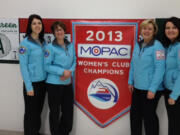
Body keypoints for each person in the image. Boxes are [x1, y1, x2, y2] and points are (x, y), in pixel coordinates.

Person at [128, 19, 165, 135]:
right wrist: (130, 81)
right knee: (134, 116)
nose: (146, 31)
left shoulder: (158, 47)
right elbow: (133, 64)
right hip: (138, 87)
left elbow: (160, 69)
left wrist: (152, 89)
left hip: (150, 89)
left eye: (150, 29)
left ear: (154, 31)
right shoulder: (138, 45)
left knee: (149, 118)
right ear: (141, 30)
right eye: (144, 28)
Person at [44, 21, 76, 135]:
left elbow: (75, 62)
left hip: (67, 84)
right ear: (54, 33)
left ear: (64, 31)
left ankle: (64, 132)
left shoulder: (71, 45)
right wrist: (62, 72)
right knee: (55, 112)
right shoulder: (50, 47)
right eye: (57, 30)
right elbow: (46, 66)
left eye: (61, 29)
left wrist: (69, 73)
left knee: (67, 112)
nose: (59, 31)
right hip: (54, 84)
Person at [18, 14, 46, 135]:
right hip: (32, 84)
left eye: (39, 23)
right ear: (30, 26)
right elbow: (23, 66)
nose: (37, 25)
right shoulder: (25, 44)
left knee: (38, 111)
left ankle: (35, 132)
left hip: (42, 82)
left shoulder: (42, 41)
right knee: (30, 112)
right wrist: (29, 86)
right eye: (34, 23)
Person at [162, 17, 180, 135]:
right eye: (168, 28)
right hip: (169, 89)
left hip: (176, 93)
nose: (170, 30)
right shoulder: (171, 46)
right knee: (173, 124)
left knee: (176, 126)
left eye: (174, 27)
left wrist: (174, 95)